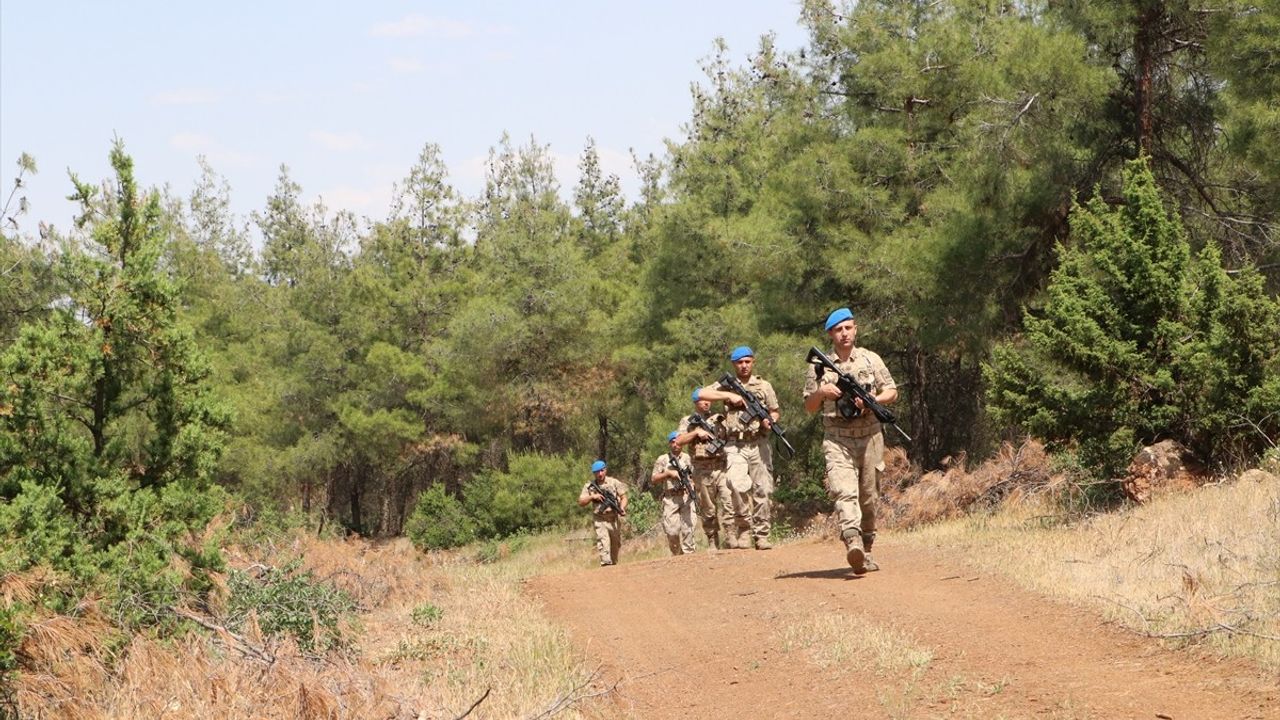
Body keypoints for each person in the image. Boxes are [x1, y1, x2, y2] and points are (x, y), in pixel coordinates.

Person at [803, 308, 898, 574]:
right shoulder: (818, 366)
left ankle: (866, 549)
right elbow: (809, 406)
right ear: (830, 334)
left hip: (870, 436)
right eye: (838, 330)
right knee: (844, 491)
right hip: (837, 438)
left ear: (855, 329)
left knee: (869, 498)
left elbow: (892, 391)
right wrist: (821, 392)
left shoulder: (870, 359)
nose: (844, 334)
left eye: (848, 328)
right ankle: (852, 541)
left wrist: (873, 400)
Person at [696, 346, 780, 550]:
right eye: (740, 362)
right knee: (734, 483)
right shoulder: (726, 385)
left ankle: (761, 535)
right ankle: (744, 528)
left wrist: (770, 420)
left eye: (747, 362)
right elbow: (700, 393)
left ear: (753, 362)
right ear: (734, 364)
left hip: (758, 442)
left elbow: (775, 410)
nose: (744, 366)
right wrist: (728, 395)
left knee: (762, 489)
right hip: (735, 444)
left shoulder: (764, 386)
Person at [675, 389, 732, 548]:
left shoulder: (719, 418)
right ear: (696, 402)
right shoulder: (687, 421)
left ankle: (732, 538)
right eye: (703, 400)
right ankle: (713, 541)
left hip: (722, 468)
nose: (707, 402)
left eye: (709, 400)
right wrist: (696, 433)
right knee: (708, 509)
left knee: (729, 503)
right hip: (702, 470)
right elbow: (679, 441)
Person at [650, 431, 697, 555]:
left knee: (689, 529)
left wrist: (692, 485)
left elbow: (696, 475)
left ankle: (689, 556)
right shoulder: (663, 459)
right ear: (669, 444)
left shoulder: (688, 458)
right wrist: (668, 474)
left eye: (677, 442)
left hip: (686, 496)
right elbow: (654, 479)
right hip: (670, 498)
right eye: (672, 442)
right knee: (672, 531)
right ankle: (677, 556)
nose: (675, 445)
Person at [578, 459, 628, 567]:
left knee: (615, 546)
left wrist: (622, 507)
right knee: (603, 545)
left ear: (605, 470)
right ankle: (606, 564)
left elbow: (624, 497)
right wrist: (592, 497)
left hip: (614, 519)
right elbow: (581, 502)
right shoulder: (589, 486)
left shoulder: (614, 482)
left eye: (602, 471)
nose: (600, 474)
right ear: (594, 473)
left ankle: (613, 567)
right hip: (600, 519)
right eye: (597, 472)